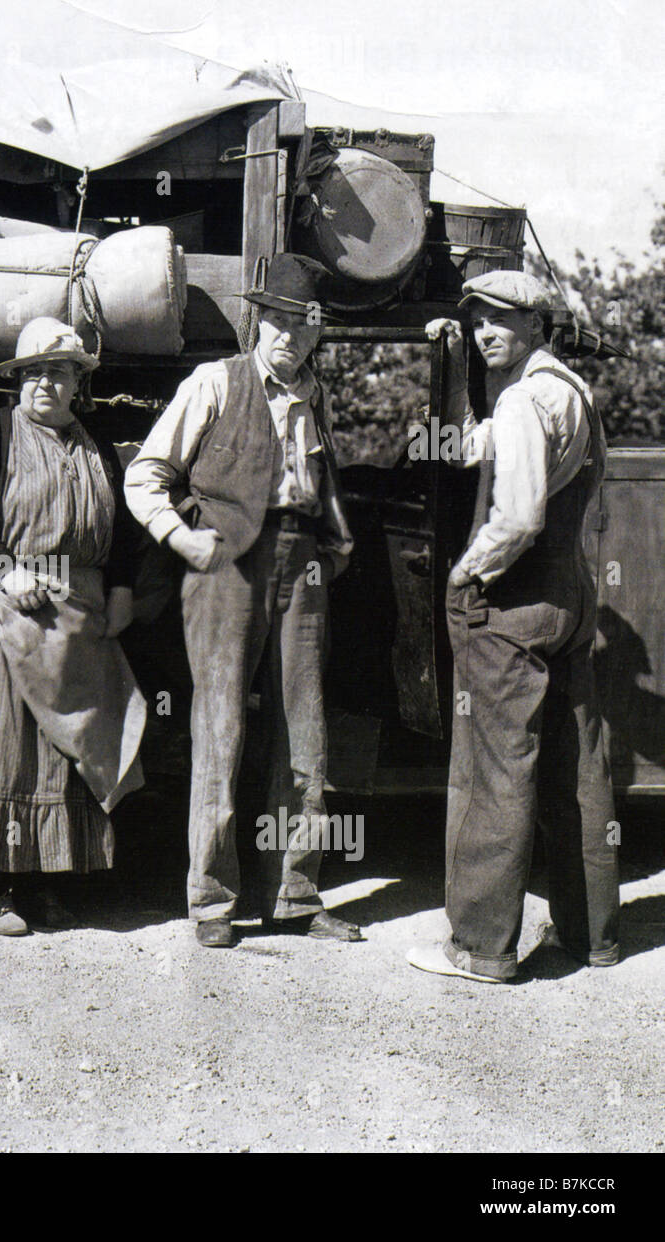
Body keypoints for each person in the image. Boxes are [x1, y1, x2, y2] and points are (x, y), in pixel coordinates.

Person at [124, 253, 362, 948]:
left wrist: (334, 548)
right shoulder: (214, 384)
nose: (288, 335)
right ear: (256, 322)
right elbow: (146, 475)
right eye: (277, 321)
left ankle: (296, 894)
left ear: (316, 333)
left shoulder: (313, 397)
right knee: (222, 727)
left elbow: (325, 486)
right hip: (225, 564)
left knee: (304, 730)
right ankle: (213, 901)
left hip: (301, 564)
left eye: (303, 323)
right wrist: (181, 539)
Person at [408, 271, 619, 982]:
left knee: (492, 773)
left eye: (500, 320)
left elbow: (520, 515)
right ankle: (591, 935)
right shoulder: (571, 393)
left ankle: (480, 948)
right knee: (577, 768)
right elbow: (474, 448)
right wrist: (452, 368)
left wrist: (471, 569)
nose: (485, 332)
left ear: (537, 325)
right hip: (570, 599)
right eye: (476, 322)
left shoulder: (527, 401)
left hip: (513, 604)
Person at [0, 318, 145, 934]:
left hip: (79, 616)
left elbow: (122, 528)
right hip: (9, 611)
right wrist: (3, 568)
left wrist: (122, 589)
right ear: (17, 379)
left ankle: (45, 885)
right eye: (34, 371)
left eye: (60, 371)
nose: (46, 382)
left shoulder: (94, 447)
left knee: (63, 749)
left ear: (78, 383)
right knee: (5, 746)